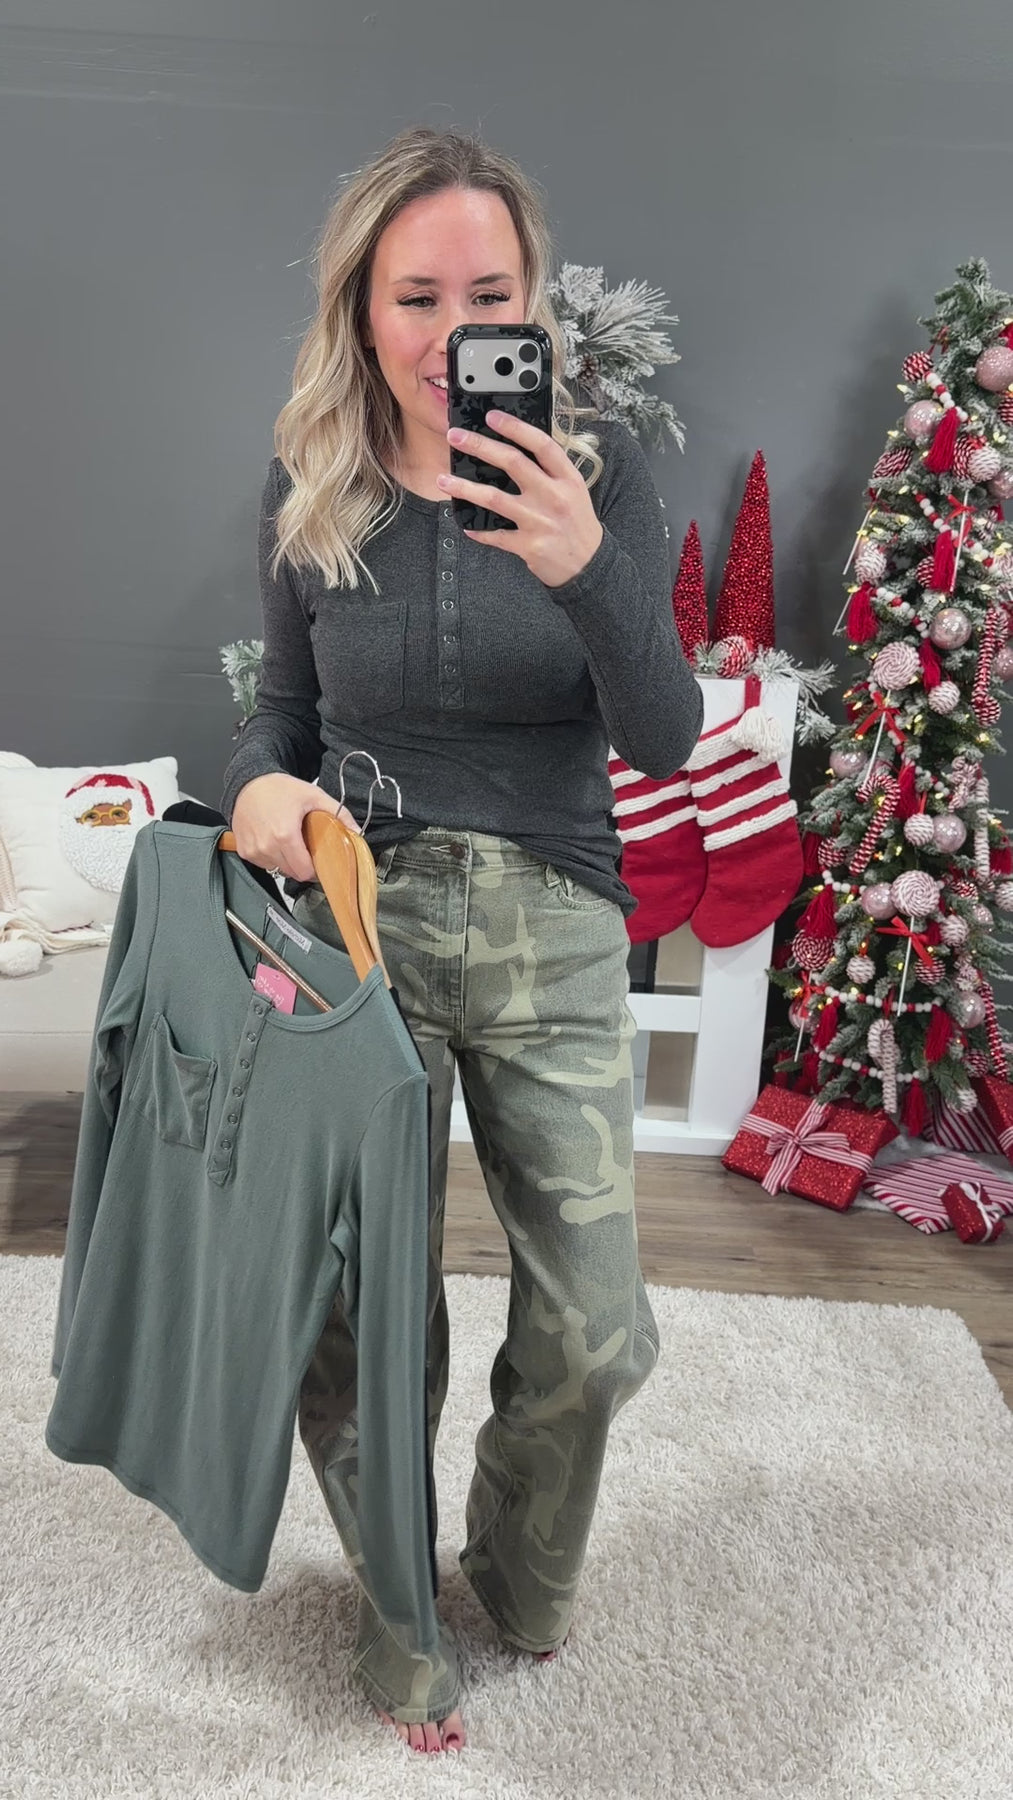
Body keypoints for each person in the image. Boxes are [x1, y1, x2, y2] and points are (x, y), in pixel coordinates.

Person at [221, 124, 703, 1754]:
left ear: (532, 302)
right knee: (358, 1317)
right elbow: (280, 714)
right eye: (415, 297)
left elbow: (663, 736)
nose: (450, 333)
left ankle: (514, 1571)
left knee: (597, 1331)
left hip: (555, 921)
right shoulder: (308, 476)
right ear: (362, 311)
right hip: (355, 913)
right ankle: (401, 1628)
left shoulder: (597, 473)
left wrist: (586, 570)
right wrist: (259, 786)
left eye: (487, 294)